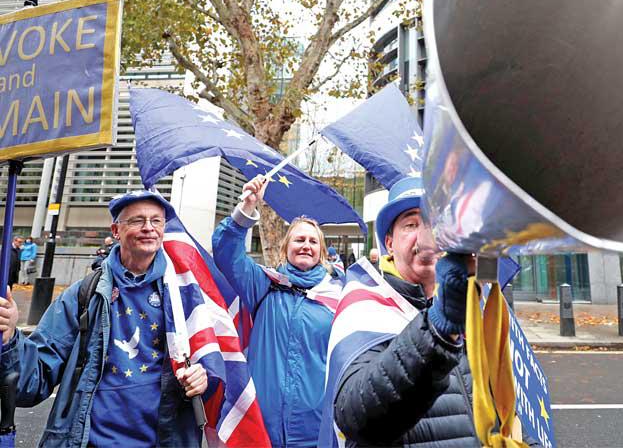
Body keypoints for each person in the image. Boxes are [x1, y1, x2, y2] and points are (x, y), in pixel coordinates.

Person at [0, 189, 208, 447]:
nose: (148, 228)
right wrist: (10, 337)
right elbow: (34, 381)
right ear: (115, 230)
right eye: (137, 220)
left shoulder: (182, 296)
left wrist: (203, 377)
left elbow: (209, 363)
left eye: (156, 221)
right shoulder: (82, 295)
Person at [332, 176, 490, 446]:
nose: (426, 236)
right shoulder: (364, 304)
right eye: (411, 225)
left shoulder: (471, 304)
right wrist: (438, 329)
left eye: (434, 224)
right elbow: (354, 416)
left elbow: (495, 406)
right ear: (389, 243)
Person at [212, 177, 339, 447]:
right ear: (285, 248)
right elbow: (225, 253)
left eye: (313, 241)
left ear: (321, 252)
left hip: (315, 429)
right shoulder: (264, 285)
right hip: (261, 426)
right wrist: (247, 207)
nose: (306, 245)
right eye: (299, 239)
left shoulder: (337, 297)